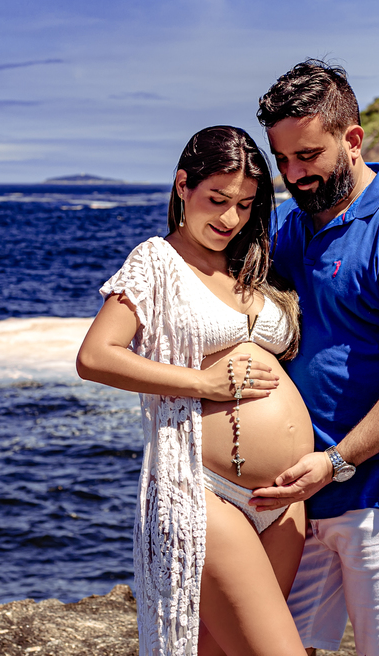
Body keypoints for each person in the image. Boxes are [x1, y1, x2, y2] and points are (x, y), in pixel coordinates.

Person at [76, 126, 313, 656]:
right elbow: (96, 356)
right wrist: (203, 383)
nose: (230, 218)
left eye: (246, 204)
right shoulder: (157, 262)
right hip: (204, 492)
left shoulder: (253, 265)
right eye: (218, 200)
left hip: (284, 501)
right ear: (183, 186)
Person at [250, 60, 379, 656]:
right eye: (282, 160)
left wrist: (336, 461)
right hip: (304, 492)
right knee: (288, 647)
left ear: (352, 139)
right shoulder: (292, 228)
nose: (294, 174)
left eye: (308, 156)